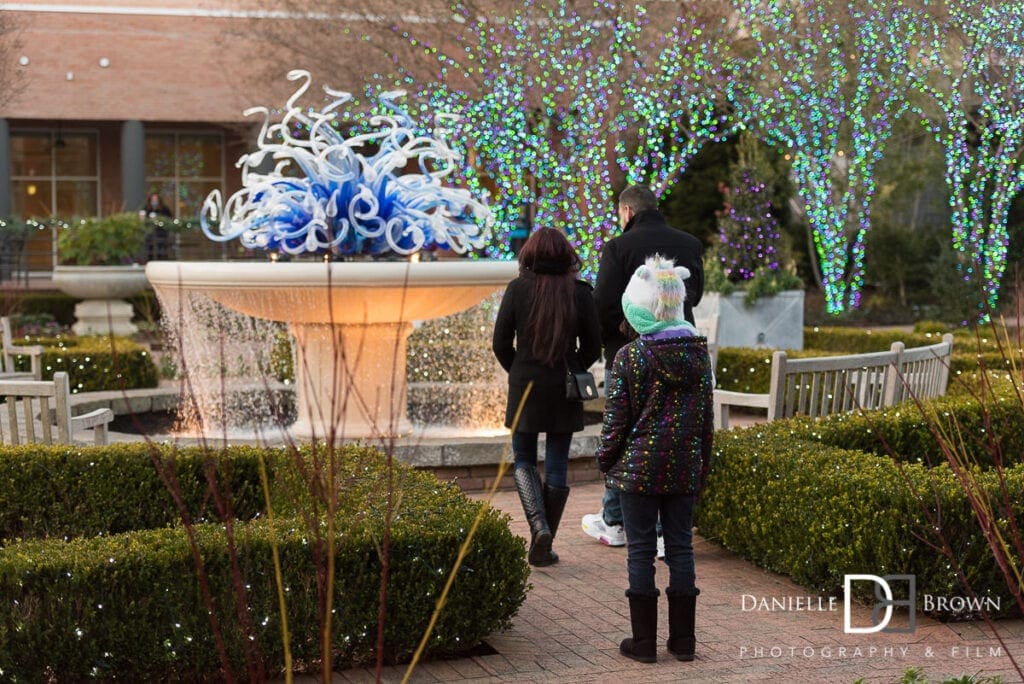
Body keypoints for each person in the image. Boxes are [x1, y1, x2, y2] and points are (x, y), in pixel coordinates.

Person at [596, 255, 714, 663]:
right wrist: (702, 465)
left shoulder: (630, 357)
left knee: (640, 551)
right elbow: (706, 420)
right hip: (683, 466)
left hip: (638, 472)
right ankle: (684, 643)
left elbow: (616, 422)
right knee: (681, 548)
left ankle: (643, 644)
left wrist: (605, 460)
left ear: (638, 309)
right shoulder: (698, 356)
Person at [582, 184, 705, 549]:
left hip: (628, 350)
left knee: (624, 429)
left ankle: (616, 519)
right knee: (676, 428)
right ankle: (666, 529)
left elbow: (602, 301)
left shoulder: (618, 247)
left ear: (627, 212)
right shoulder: (689, 243)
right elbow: (693, 294)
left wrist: (611, 339)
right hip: (680, 349)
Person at [492, 227, 601, 566]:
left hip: (524, 384)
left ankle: (539, 528)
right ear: (566, 255)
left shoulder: (517, 289)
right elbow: (593, 347)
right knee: (556, 461)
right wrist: (572, 366)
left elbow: (499, 343)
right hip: (564, 388)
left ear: (530, 254)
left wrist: (519, 369)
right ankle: (544, 543)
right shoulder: (580, 293)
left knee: (523, 458)